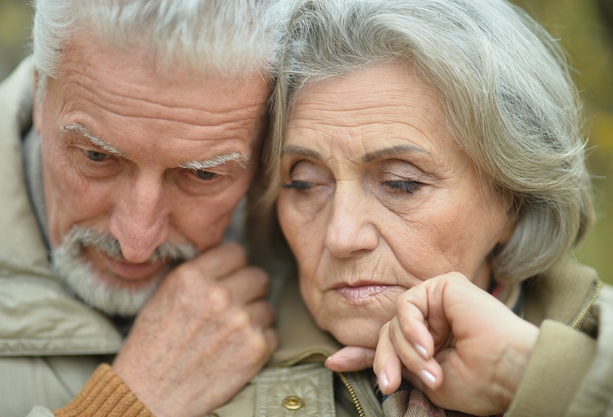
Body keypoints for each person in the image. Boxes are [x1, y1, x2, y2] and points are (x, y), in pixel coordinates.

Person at [212, 0, 613, 415]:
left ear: (514, 202)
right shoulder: (201, 376)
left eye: (400, 184)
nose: (341, 237)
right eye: (304, 183)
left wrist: (530, 374)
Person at [0, 0, 291, 416]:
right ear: (42, 93)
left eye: (203, 175)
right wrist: (126, 404)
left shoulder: (326, 267)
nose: (137, 242)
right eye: (97, 156)